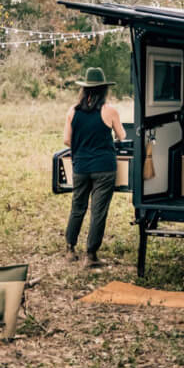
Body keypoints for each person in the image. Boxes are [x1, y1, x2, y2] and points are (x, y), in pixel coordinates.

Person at [63, 66, 126, 267]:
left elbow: (66, 140)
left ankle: (70, 248)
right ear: (104, 89)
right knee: (98, 211)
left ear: (84, 89)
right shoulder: (110, 111)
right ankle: (90, 255)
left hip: (81, 166)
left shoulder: (73, 111)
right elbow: (122, 136)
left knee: (77, 207)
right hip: (104, 168)